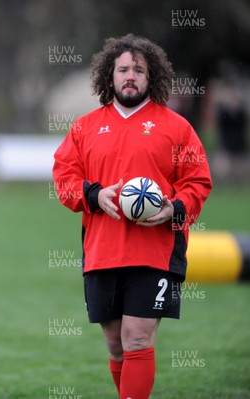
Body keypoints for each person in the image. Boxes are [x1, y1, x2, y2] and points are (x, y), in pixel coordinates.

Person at [52, 34, 212, 399]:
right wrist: (94, 195)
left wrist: (175, 208)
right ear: (109, 76)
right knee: (115, 344)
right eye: (122, 69)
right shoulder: (85, 127)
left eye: (138, 70)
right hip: (103, 251)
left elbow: (198, 180)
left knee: (137, 337)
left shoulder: (177, 127)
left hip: (156, 253)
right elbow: (64, 178)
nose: (130, 76)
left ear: (150, 76)